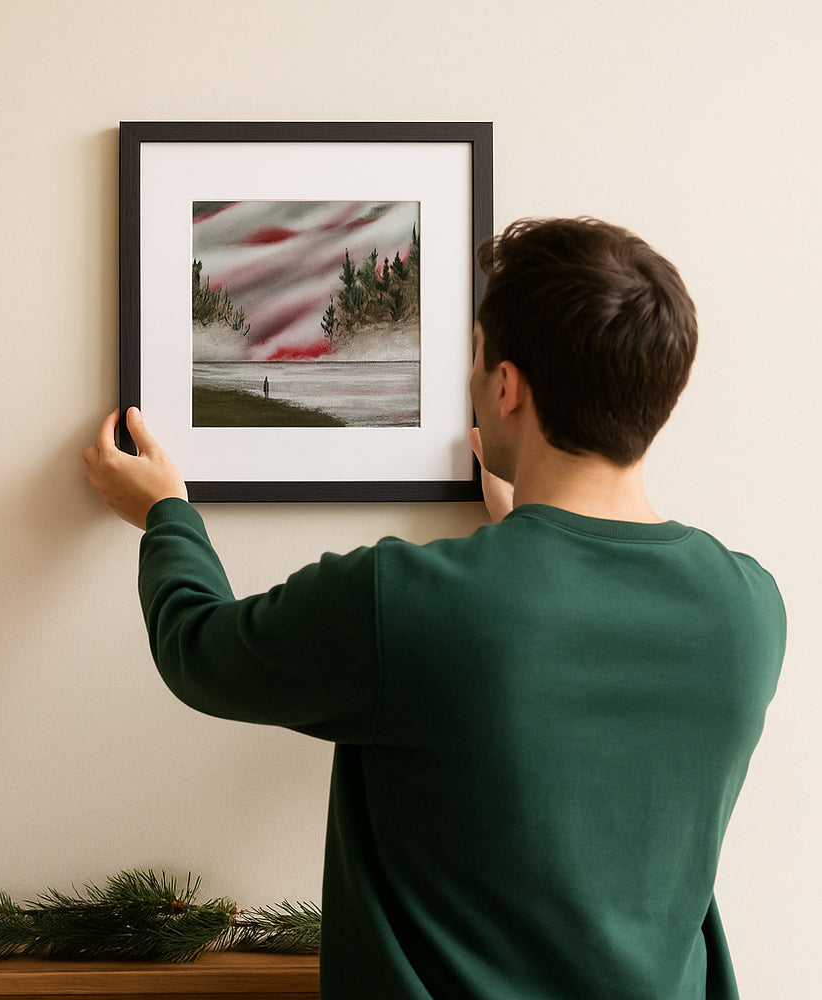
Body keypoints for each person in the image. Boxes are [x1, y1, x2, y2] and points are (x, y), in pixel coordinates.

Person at [83, 217, 785, 999]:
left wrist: (164, 513)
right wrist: (523, 530)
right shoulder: (748, 609)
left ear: (508, 388)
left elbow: (201, 652)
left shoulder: (406, 601)